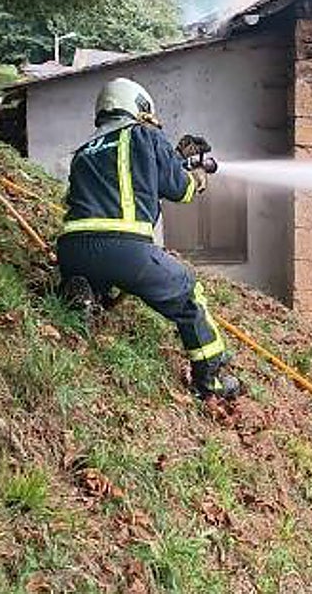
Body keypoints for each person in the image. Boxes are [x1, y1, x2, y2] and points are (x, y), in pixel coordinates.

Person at [56, 77, 241, 400]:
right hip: (125, 250)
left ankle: (85, 294)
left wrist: (171, 158)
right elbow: (179, 190)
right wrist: (196, 177)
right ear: (138, 108)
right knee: (188, 294)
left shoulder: (84, 151)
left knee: (101, 271)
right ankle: (210, 381)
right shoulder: (143, 134)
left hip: (72, 248)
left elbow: (119, 180)